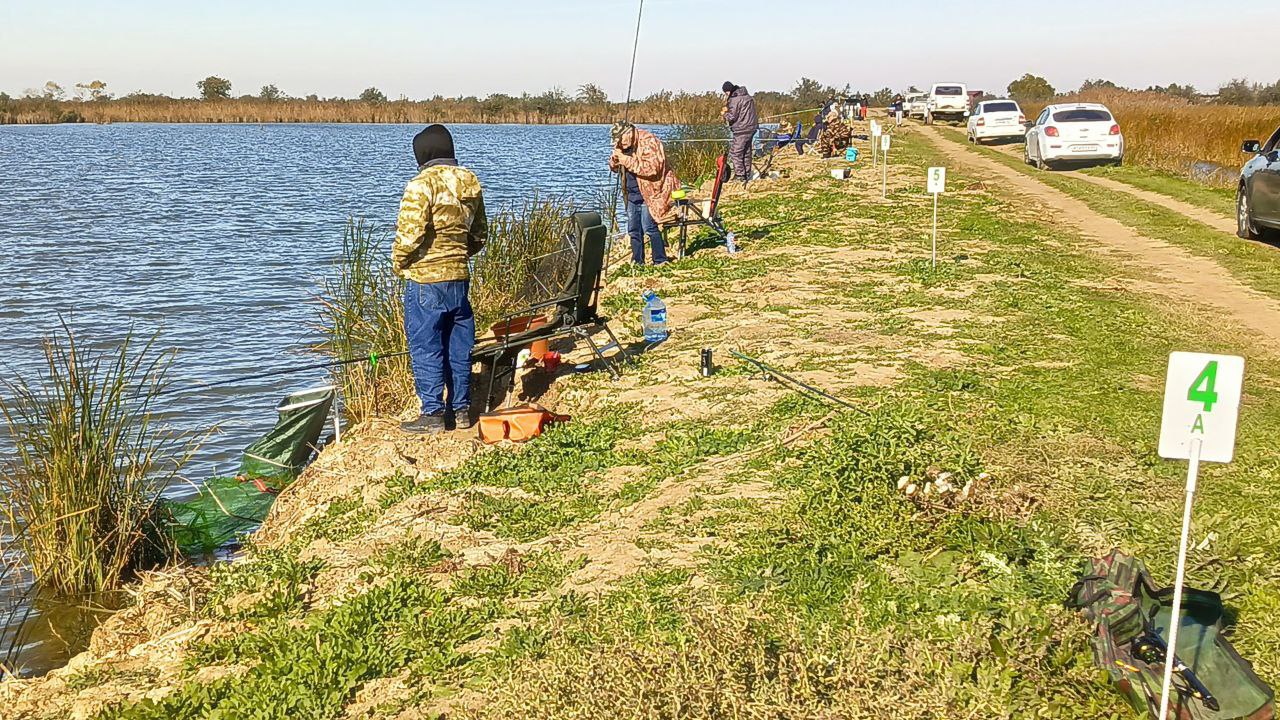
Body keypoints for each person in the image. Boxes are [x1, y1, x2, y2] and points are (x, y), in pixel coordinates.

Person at [394, 125, 488, 434]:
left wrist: (399, 263)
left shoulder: (420, 185)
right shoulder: (470, 181)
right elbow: (479, 236)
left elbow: (410, 236)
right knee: (458, 346)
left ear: (422, 154)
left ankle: (432, 413)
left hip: (426, 278)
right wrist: (458, 255)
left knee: (426, 345)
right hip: (459, 275)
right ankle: (461, 410)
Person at [609, 121, 680, 265]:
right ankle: (637, 261)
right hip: (631, 193)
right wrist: (614, 163)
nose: (619, 145)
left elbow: (652, 168)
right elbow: (617, 166)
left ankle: (660, 259)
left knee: (649, 226)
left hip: (652, 193)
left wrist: (626, 160)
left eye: (620, 140)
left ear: (628, 134)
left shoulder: (649, 141)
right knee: (633, 229)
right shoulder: (622, 146)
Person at [721, 81, 759, 186]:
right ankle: (746, 174)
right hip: (751, 128)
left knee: (735, 153)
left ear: (728, 91)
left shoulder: (735, 99)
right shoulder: (747, 97)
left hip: (741, 129)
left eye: (725, 93)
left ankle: (739, 175)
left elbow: (732, 116)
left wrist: (724, 114)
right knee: (746, 152)